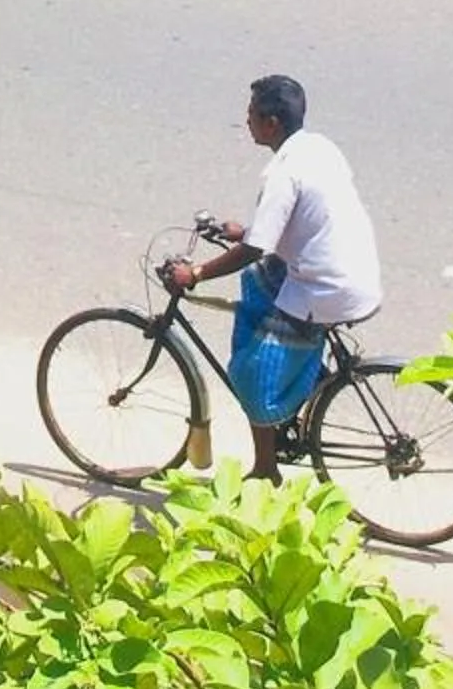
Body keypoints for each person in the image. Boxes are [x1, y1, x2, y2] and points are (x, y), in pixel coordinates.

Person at [161, 74, 383, 480]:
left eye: (250, 114)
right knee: (259, 285)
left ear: (271, 124)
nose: (245, 121)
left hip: (326, 288)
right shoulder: (318, 148)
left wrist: (194, 273)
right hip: (346, 269)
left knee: (250, 373)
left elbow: (254, 251)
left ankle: (266, 468)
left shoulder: (282, 175)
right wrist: (244, 231)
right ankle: (305, 382)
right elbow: (294, 225)